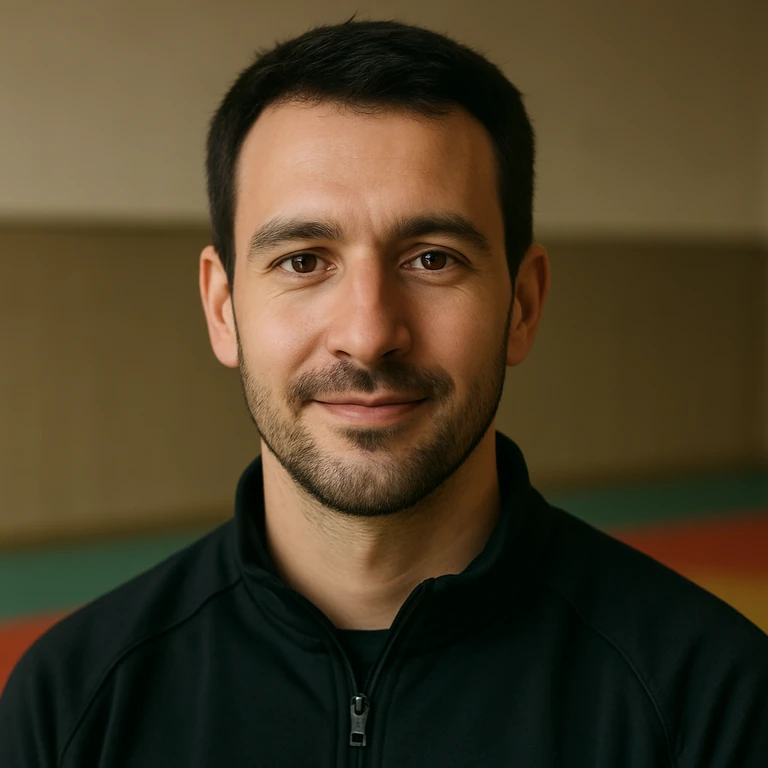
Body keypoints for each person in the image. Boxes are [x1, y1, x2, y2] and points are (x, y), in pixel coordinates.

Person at [1, 18, 766, 768]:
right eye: (303, 261)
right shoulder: (71, 707)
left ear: (523, 305)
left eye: (432, 258)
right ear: (223, 308)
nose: (368, 335)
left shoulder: (713, 702)